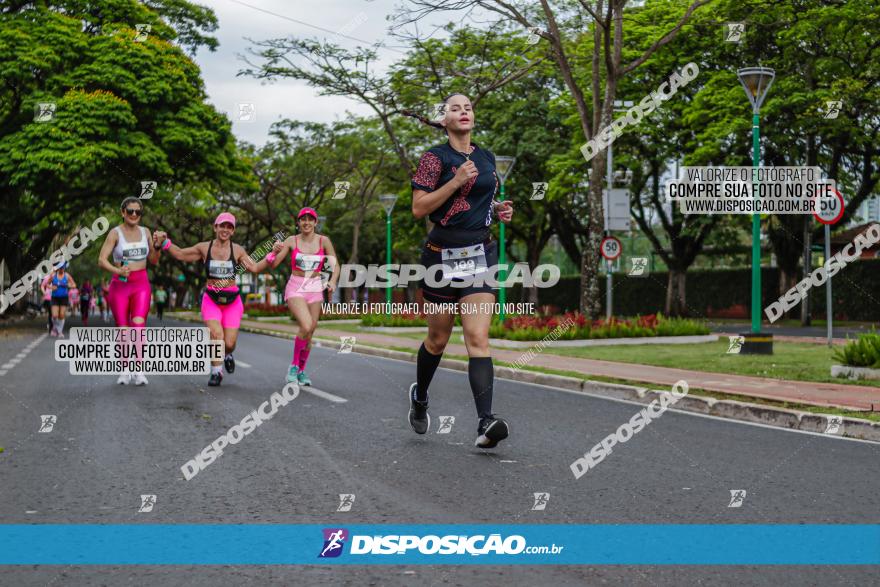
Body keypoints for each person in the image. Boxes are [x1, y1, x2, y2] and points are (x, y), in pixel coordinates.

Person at [406, 93, 515, 449]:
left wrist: (497, 209)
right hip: (441, 256)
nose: (463, 111)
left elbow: (479, 198)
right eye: (455, 108)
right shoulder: (433, 158)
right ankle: (420, 396)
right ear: (444, 119)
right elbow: (419, 208)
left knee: (477, 338)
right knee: (437, 339)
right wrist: (453, 183)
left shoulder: (484, 156)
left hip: (480, 254)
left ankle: (486, 422)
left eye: (468, 107)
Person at [154, 212, 275, 387]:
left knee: (230, 343)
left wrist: (271, 256)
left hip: (232, 301)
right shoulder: (205, 248)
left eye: (229, 227)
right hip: (211, 299)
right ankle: (216, 372)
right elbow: (180, 254)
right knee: (216, 334)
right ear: (215, 227)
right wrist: (165, 242)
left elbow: (255, 268)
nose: (225, 229)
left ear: (232, 231)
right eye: (222, 226)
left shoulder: (238, 250)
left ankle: (227, 354)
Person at [266, 207, 339, 386]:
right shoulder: (291, 240)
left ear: (315, 222)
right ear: (298, 223)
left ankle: (301, 371)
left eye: (310, 219)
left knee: (311, 331)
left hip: (315, 287)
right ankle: (293, 366)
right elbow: (274, 264)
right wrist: (274, 251)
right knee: (306, 325)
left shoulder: (324, 241)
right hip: (296, 286)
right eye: (303, 219)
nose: (306, 222)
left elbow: (335, 265)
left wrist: (333, 281)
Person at [97, 197, 161, 386]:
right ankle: (125, 368)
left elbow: (155, 260)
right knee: (123, 331)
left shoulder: (146, 232)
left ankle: (139, 369)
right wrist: (117, 270)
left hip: (141, 284)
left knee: (139, 328)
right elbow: (101, 260)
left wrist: (157, 245)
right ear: (122, 212)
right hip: (120, 286)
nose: (134, 215)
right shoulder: (115, 233)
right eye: (130, 211)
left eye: (138, 212)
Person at [48, 262, 76, 337]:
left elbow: (74, 284)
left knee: (62, 315)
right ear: (58, 268)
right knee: (54, 315)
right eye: (60, 268)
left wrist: (69, 285)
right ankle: (55, 328)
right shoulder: (53, 275)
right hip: (55, 298)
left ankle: (59, 331)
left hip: (64, 297)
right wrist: (52, 287)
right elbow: (47, 284)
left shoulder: (67, 276)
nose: (62, 269)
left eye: (63, 268)